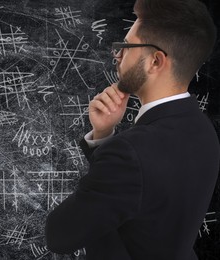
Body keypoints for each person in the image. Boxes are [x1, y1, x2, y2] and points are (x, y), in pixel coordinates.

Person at [45, 0, 219, 259]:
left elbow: (59, 235)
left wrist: (109, 146)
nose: (118, 55)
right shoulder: (203, 130)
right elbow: (140, 205)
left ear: (155, 61)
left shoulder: (130, 152)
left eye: (127, 46)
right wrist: (103, 135)